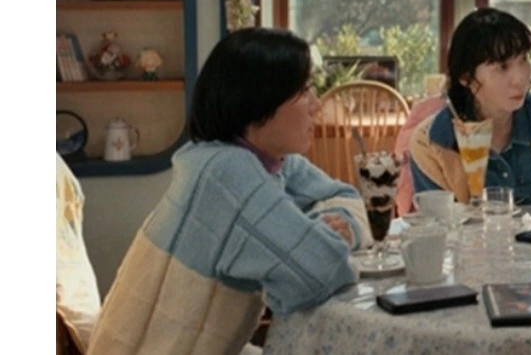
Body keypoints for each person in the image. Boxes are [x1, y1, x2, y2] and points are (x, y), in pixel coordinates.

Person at [88, 28, 372, 355]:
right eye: (304, 91)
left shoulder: (254, 158)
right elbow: (324, 272)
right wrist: (320, 235)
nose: (317, 106)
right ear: (260, 100)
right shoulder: (228, 173)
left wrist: (332, 228)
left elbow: (347, 198)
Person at [409, 8, 531, 206]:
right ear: (466, 77)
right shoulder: (431, 144)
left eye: (523, 59)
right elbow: (437, 223)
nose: (520, 79)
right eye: (502, 67)